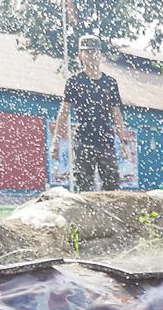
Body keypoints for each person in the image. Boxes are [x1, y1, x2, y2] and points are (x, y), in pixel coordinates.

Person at [52, 35, 129, 192]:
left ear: (100, 55)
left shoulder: (110, 83)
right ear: (80, 55)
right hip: (83, 140)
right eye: (86, 52)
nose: (91, 56)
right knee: (84, 186)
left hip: (105, 140)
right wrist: (56, 141)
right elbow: (64, 111)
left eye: (94, 52)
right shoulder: (74, 82)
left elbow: (116, 114)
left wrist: (123, 141)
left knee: (111, 186)